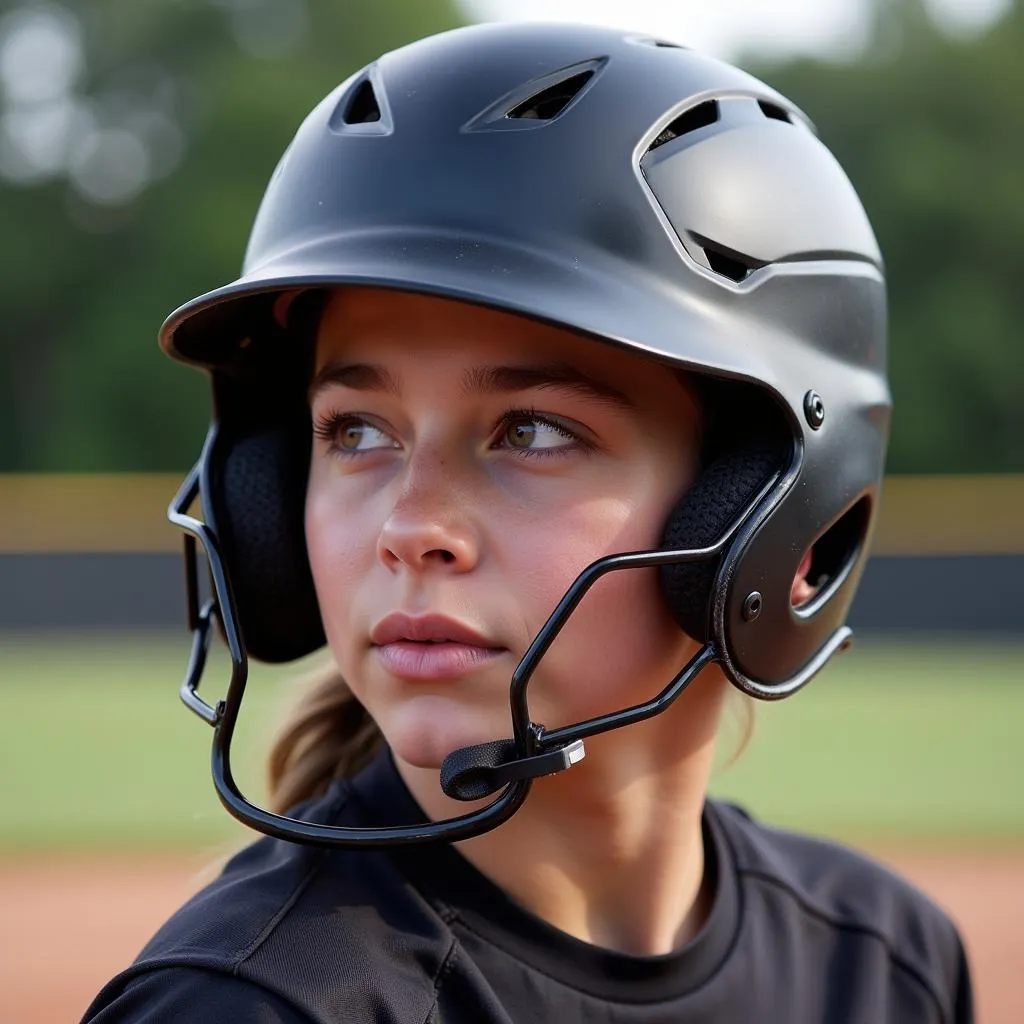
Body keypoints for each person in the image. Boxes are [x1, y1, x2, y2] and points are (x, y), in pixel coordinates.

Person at [82, 22, 973, 1023]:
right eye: (357, 430)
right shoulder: (257, 1007)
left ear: (773, 503)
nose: (411, 527)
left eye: (533, 429)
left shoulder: (886, 964)